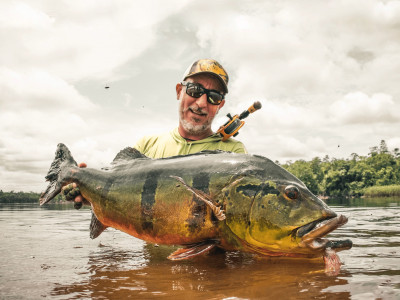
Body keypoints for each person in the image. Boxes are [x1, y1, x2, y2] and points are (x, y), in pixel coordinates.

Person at [63, 59, 247, 206]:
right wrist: (89, 193)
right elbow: (116, 194)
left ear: (220, 105)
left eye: (214, 97)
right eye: (195, 90)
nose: (201, 103)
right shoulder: (146, 146)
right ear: (178, 91)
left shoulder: (235, 155)